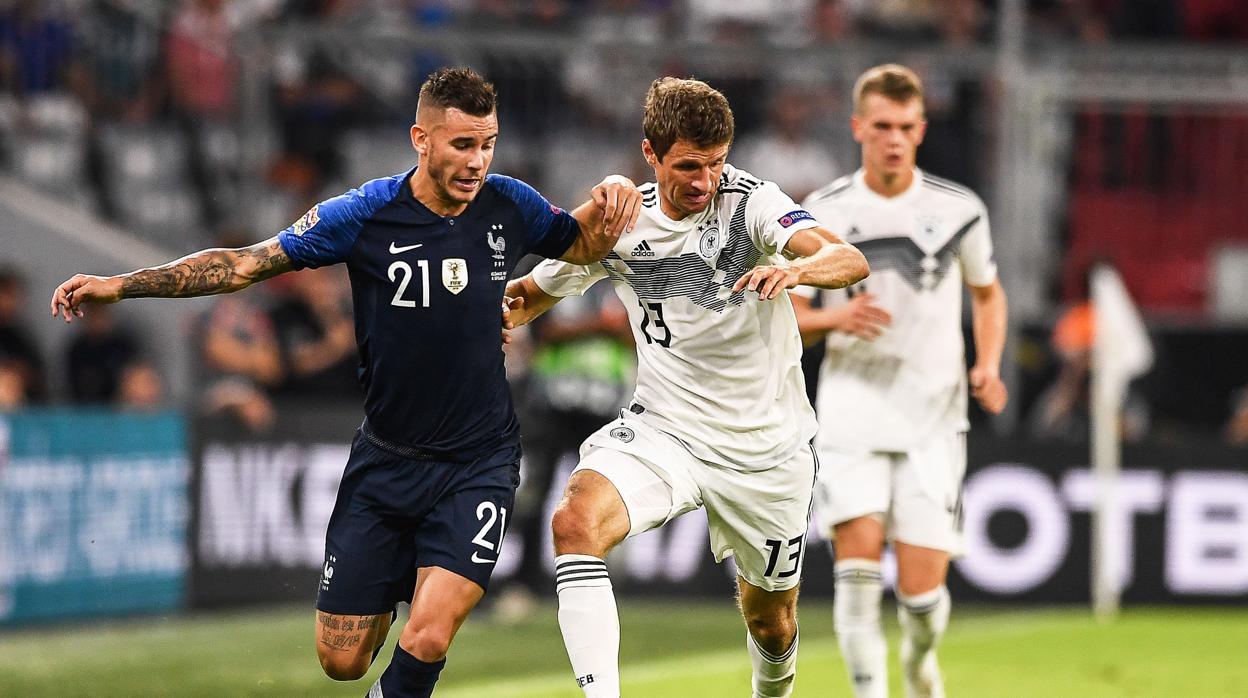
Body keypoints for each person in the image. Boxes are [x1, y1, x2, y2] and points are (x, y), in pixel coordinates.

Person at [50, 66, 641, 698]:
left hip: (479, 460)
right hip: (385, 462)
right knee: (342, 660)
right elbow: (246, 264)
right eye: (462, 145)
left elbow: (582, 242)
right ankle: (383, 588)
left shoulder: (510, 205)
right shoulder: (366, 215)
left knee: (429, 636)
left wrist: (610, 189)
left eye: (487, 143)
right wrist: (125, 283)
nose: (477, 161)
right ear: (422, 138)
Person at [503, 77, 869, 698]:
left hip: (768, 449)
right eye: (690, 165)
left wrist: (795, 267)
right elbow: (528, 296)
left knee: (772, 623)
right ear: (652, 154)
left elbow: (848, 258)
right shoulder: (620, 225)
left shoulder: (752, 202)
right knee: (574, 522)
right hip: (664, 428)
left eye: (717, 163)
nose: (706, 181)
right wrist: (486, 321)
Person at [790, 64, 1008, 698]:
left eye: (905, 127)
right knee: (857, 575)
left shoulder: (959, 209)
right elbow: (787, 314)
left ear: (921, 129)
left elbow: (989, 296)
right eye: (881, 126)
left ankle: (920, 664)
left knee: (920, 596)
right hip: (852, 410)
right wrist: (838, 317)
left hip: (934, 415)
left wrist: (988, 363)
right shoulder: (823, 213)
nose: (893, 139)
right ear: (859, 127)